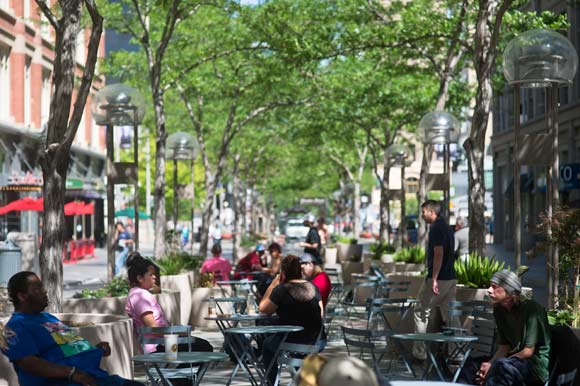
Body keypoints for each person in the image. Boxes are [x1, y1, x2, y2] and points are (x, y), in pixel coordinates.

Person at [1, 271, 144, 386]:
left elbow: (68, 348)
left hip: (93, 376)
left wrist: (95, 349)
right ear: (22, 296)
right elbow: (28, 363)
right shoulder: (15, 327)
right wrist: (71, 373)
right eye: (37, 288)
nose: (44, 291)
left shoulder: (48, 318)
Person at [457, 270, 550, 386]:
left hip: (534, 367)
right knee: (472, 365)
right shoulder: (499, 310)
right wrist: (489, 364)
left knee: (501, 367)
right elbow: (503, 347)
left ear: (509, 291)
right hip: (509, 360)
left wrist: (493, 366)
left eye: (494, 286)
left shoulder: (531, 308)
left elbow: (528, 352)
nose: (489, 290)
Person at [124, 252, 213, 356]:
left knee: (203, 345)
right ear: (140, 278)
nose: (154, 277)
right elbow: (154, 329)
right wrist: (178, 332)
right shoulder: (140, 297)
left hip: (165, 344)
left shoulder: (137, 294)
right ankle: (178, 369)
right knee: (205, 347)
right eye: (150, 275)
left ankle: (190, 372)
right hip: (159, 348)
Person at [259, 255, 324, 386]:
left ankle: (272, 383)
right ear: (299, 270)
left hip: (291, 340)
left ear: (283, 272)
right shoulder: (313, 287)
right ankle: (299, 380)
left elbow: (263, 309)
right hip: (317, 340)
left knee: (267, 345)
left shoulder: (281, 290)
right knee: (296, 351)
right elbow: (321, 314)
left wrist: (273, 284)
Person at [412, 200, 456, 361]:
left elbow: (439, 253)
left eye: (423, 212)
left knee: (420, 310)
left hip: (439, 278)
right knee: (450, 314)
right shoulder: (447, 227)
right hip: (451, 277)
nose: (422, 215)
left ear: (432, 212)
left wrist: (434, 278)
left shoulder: (436, 228)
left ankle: (419, 352)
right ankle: (456, 352)